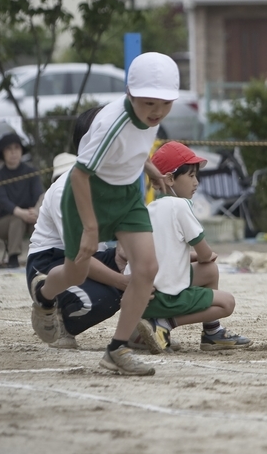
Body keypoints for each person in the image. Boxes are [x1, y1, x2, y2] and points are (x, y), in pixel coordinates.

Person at [29, 51, 180, 376]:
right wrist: (90, 228)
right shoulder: (111, 123)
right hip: (86, 196)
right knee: (76, 273)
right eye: (149, 103)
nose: (157, 111)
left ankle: (117, 350)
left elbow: (134, 146)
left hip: (125, 197)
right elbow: (79, 176)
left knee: (147, 268)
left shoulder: (148, 117)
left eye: (166, 103)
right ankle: (44, 296)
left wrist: (151, 169)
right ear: (130, 94)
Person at [25, 107, 131, 350]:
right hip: (51, 261)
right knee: (104, 298)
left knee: (146, 266)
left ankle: (145, 327)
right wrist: (122, 282)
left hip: (92, 256)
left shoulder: (114, 181)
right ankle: (50, 305)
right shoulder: (65, 190)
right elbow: (78, 256)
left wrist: (127, 250)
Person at [133, 141, 251, 353]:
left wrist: (194, 257)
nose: (196, 182)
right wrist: (205, 255)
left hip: (142, 298)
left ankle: (210, 332)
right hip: (163, 298)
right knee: (227, 303)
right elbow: (206, 254)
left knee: (209, 271)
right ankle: (164, 324)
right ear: (170, 179)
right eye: (191, 176)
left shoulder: (149, 208)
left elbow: (161, 255)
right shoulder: (180, 205)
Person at [0, 133, 43, 268]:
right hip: (3, 221)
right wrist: (21, 213)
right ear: (2, 153)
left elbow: (39, 196)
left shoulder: (32, 172)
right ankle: (13, 258)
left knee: (42, 220)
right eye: (9, 149)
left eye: (17, 148)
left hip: (30, 216)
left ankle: (42, 255)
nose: (13, 152)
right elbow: (3, 201)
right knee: (17, 219)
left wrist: (35, 212)